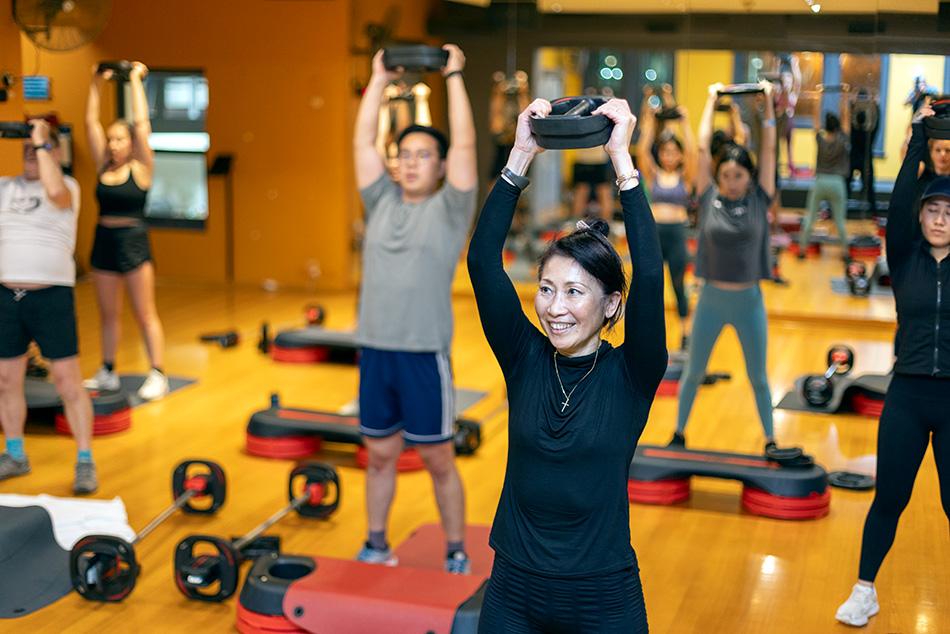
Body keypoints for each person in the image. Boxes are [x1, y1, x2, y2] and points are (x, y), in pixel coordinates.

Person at [469, 97, 666, 633]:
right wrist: (520, 156)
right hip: (513, 588)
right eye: (548, 288)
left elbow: (649, 274)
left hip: (602, 595)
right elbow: (482, 262)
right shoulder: (524, 356)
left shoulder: (633, 373)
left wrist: (623, 162)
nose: (555, 308)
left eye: (575, 291)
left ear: (610, 305)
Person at [352, 45, 477, 574]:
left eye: (423, 154)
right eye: (404, 154)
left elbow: (468, 142)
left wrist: (452, 76)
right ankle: (376, 543)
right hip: (375, 350)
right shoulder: (380, 200)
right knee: (379, 456)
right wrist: (378, 79)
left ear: (442, 165)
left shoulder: (451, 208)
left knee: (437, 459)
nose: (410, 161)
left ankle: (455, 549)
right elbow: (361, 141)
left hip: (424, 354)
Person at [835, 108, 950, 628]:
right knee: (890, 499)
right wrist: (921, 137)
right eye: (933, 211)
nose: (940, 219)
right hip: (907, 395)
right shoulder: (904, 257)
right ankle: (864, 590)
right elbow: (902, 196)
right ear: (921, 218)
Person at [670, 81, 778, 449]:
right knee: (694, 371)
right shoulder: (708, 195)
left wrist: (768, 109)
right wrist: (712, 99)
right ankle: (679, 433)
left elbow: (769, 150)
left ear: (750, 176)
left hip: (749, 302)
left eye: (739, 175)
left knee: (758, 377)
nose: (731, 182)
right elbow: (701, 150)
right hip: (712, 300)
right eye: (726, 176)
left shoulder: (760, 198)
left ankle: (770, 439)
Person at [0, 119, 97, 494]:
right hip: (7, 297)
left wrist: (42, 139)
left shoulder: (66, 187)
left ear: (54, 153)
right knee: (7, 380)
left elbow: (54, 185)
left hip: (51, 296)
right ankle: (15, 454)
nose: (30, 152)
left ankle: (85, 460)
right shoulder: (5, 187)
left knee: (67, 382)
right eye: (25, 148)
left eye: (38, 148)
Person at [83, 61, 168, 401]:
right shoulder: (103, 165)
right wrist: (94, 83)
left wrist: (134, 79)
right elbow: (89, 121)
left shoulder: (142, 168)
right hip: (103, 240)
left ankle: (158, 372)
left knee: (144, 313)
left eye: (119, 139)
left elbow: (142, 124)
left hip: (133, 242)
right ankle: (107, 370)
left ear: (131, 143)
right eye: (111, 139)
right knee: (108, 313)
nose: (114, 144)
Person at [637, 93, 697, 350]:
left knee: (677, 283)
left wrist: (684, 123)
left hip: (676, 234)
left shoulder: (686, 177)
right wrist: (650, 123)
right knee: (651, 283)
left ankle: (685, 332)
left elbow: (694, 152)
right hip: (654, 232)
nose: (670, 155)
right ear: (660, 154)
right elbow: (641, 150)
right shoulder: (653, 175)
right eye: (665, 152)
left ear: (679, 155)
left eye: (674, 151)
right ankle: (649, 332)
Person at [799, 108, 851, 257]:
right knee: (840, 221)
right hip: (837, 183)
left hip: (820, 181)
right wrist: (844, 101)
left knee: (810, 217)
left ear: (826, 127)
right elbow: (846, 122)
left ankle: (802, 251)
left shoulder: (820, 139)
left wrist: (818, 98)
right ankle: (846, 253)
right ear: (837, 127)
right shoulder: (842, 140)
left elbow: (815, 121)